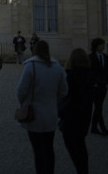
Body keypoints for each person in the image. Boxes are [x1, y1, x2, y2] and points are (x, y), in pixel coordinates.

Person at [16, 40, 68, 174]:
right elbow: (64, 91)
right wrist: (51, 100)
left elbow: (21, 91)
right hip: (50, 114)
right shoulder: (57, 66)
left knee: (38, 151)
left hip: (34, 114)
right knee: (49, 149)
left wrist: (25, 102)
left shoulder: (31, 65)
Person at [59, 48, 94, 174]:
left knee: (74, 150)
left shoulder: (71, 77)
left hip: (70, 119)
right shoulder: (90, 76)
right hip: (84, 117)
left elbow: (65, 98)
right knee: (81, 148)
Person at [88, 37, 108, 136]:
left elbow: (107, 71)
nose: (103, 46)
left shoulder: (105, 57)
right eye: (101, 44)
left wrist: (107, 82)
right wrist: (93, 82)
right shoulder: (90, 57)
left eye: (103, 44)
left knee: (99, 107)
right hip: (95, 86)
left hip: (103, 85)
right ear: (96, 46)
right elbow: (89, 72)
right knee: (98, 107)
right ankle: (102, 128)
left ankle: (94, 128)